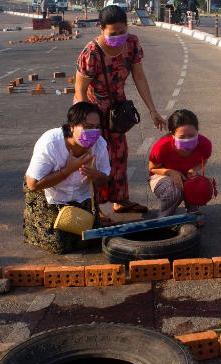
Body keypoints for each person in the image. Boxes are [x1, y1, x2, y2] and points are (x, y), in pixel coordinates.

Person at [75, 6, 167, 223]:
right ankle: (94, 208)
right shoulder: (91, 53)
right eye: (113, 33)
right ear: (101, 29)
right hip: (92, 111)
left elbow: (139, 77)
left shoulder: (132, 44)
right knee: (96, 159)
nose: (118, 37)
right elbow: (80, 91)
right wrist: (84, 124)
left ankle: (120, 200)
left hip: (117, 112)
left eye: (121, 31)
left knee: (120, 154)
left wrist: (153, 110)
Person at [23, 102, 111, 254]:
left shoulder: (100, 144)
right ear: (71, 127)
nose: (94, 132)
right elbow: (33, 184)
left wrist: (94, 174)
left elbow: (105, 179)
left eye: (97, 127)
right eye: (88, 127)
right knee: (59, 245)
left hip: (80, 196)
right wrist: (68, 170)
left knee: (93, 239)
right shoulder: (50, 143)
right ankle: (32, 226)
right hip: (48, 194)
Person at [148, 110, 212, 220]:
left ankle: (193, 211)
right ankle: (164, 218)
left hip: (186, 175)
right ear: (172, 135)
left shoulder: (204, 144)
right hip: (162, 175)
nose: (187, 139)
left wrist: (194, 170)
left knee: (199, 186)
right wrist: (170, 172)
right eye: (182, 136)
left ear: (197, 131)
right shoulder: (162, 147)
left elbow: (204, 160)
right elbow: (152, 168)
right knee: (174, 192)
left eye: (191, 135)